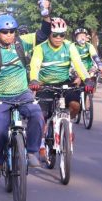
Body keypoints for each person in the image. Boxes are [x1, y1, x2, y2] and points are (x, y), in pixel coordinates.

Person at [0, 14, 44, 184]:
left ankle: (31, 151)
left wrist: (45, 15)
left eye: (12, 31)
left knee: (37, 115)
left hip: (23, 93)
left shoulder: (22, 43)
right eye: (4, 32)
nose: (9, 34)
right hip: (0, 96)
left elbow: (43, 34)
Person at [29, 18, 94, 158]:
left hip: (64, 83)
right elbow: (35, 65)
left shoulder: (70, 46)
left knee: (76, 106)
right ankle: (41, 142)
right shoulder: (41, 48)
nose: (58, 38)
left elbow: (78, 64)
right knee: (42, 115)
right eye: (55, 35)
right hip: (45, 85)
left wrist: (87, 79)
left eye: (62, 35)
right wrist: (34, 80)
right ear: (49, 34)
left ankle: (66, 125)